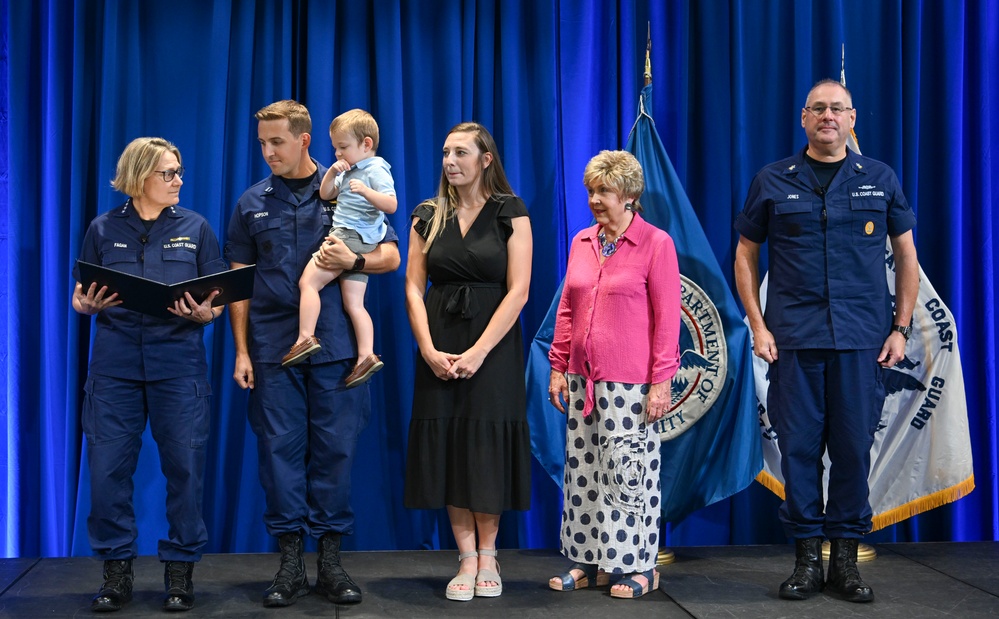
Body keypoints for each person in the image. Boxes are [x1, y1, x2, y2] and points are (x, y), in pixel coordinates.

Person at [734, 79, 919, 603]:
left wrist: (901, 327)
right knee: (799, 451)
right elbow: (746, 253)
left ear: (852, 118)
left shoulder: (878, 178)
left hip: (862, 339)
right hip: (793, 338)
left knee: (853, 450)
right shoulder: (773, 179)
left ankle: (846, 563)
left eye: (838, 109)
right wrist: (758, 323)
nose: (828, 117)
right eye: (818, 109)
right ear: (803, 118)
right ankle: (806, 563)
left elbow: (906, 255)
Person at [225, 100, 400, 608]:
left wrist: (357, 258)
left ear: (304, 140)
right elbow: (239, 283)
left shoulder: (351, 181)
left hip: (339, 346)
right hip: (274, 347)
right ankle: (288, 564)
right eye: (262, 143)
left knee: (336, 452)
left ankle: (329, 562)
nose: (268, 151)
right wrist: (240, 350)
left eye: (276, 141)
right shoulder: (251, 202)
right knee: (278, 455)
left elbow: (390, 254)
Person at [71, 137, 226, 613]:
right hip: (115, 368)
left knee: (185, 469)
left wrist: (207, 313)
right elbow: (80, 294)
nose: (178, 180)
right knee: (107, 473)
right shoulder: (102, 228)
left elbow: (216, 296)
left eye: (179, 171)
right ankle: (116, 571)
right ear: (140, 177)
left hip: (177, 366)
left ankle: (180, 572)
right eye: (168, 173)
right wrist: (84, 304)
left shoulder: (196, 227)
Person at [403, 122, 533, 602]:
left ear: (486, 160)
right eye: (444, 153)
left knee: (484, 443)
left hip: (492, 346)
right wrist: (427, 348)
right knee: (450, 444)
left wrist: (479, 352)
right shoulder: (426, 214)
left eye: (460, 152)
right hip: (438, 342)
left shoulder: (510, 212)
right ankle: (465, 557)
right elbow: (414, 287)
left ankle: (490, 554)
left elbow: (518, 290)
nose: (449, 161)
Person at [546, 150, 681, 600]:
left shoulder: (656, 244)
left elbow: (668, 321)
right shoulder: (583, 241)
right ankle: (590, 559)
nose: (594, 200)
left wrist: (661, 382)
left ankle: (640, 566)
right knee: (583, 472)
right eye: (591, 191)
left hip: (631, 384)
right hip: (583, 379)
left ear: (629, 196)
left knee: (629, 476)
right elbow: (568, 308)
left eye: (604, 191)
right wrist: (559, 367)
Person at [281, 108, 398, 390]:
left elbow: (391, 205)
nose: (337, 154)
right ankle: (366, 355)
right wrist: (334, 172)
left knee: (308, 282)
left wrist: (366, 191)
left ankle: (305, 337)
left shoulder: (375, 168)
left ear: (366, 144)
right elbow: (326, 194)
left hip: (348, 237)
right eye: (335, 148)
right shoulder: (351, 170)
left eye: (343, 147)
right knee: (354, 304)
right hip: (357, 239)